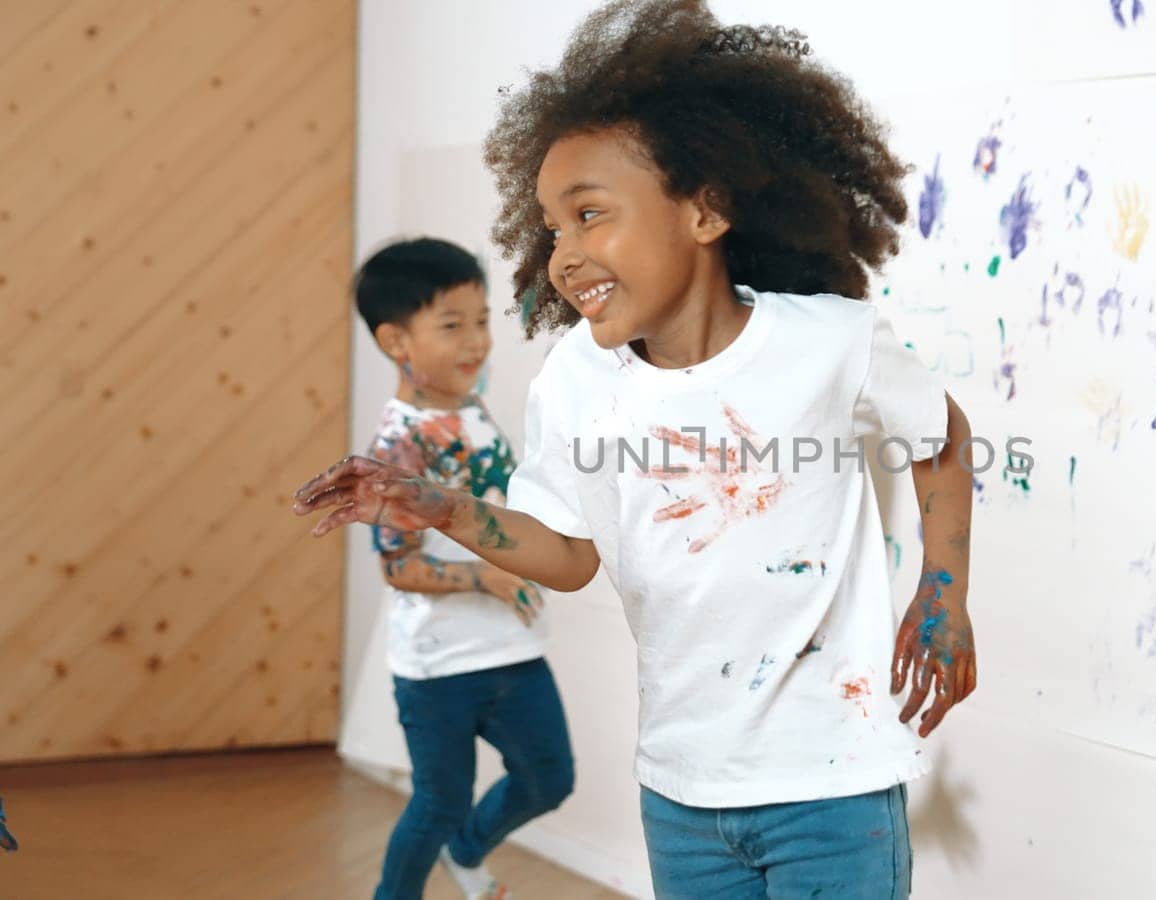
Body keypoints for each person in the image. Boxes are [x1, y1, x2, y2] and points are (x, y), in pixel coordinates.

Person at [298, 5, 976, 895]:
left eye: (590, 215)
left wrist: (942, 590)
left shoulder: (827, 342)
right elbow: (570, 555)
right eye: (552, 228)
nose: (564, 255)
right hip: (680, 790)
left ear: (706, 209)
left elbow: (940, 432)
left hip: (831, 786)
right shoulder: (579, 381)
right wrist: (437, 504)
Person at [353, 238, 574, 900]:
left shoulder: (471, 408)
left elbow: (502, 500)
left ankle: (467, 852)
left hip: (513, 649)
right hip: (438, 667)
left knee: (548, 779)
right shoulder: (397, 446)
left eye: (481, 321)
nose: (476, 342)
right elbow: (400, 569)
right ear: (397, 341)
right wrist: (492, 578)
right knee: (439, 801)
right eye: (452, 326)